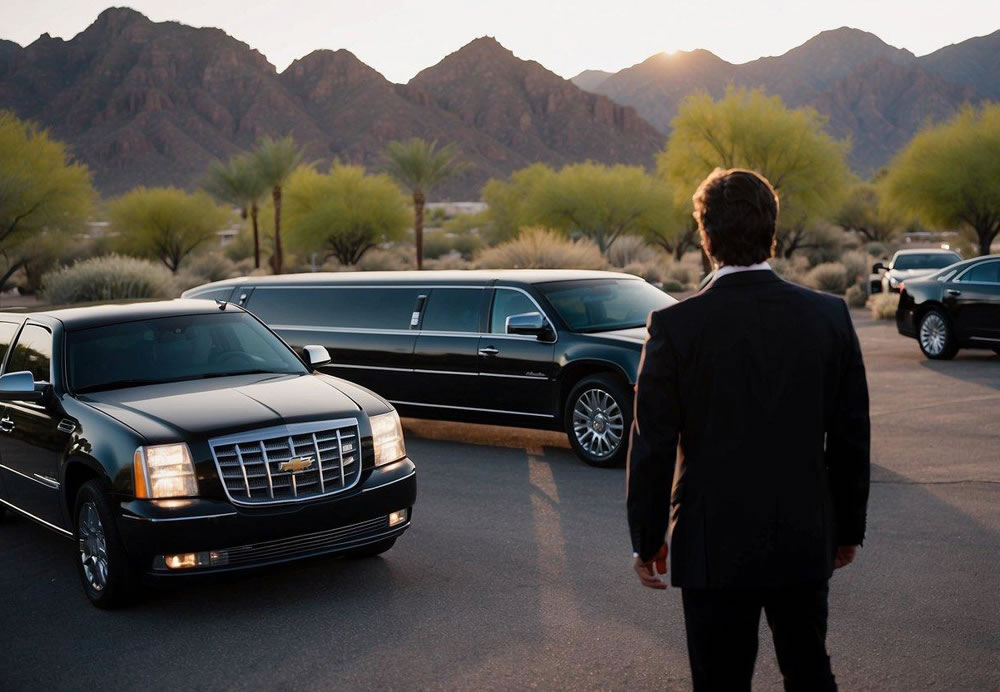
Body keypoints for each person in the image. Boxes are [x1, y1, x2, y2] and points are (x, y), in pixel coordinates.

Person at [626, 168, 870, 691]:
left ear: (705, 237)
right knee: (809, 671)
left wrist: (647, 541)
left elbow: (652, 446)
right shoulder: (828, 316)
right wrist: (846, 530)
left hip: (713, 546)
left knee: (720, 682)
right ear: (772, 233)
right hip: (804, 539)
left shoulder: (675, 327)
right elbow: (851, 439)